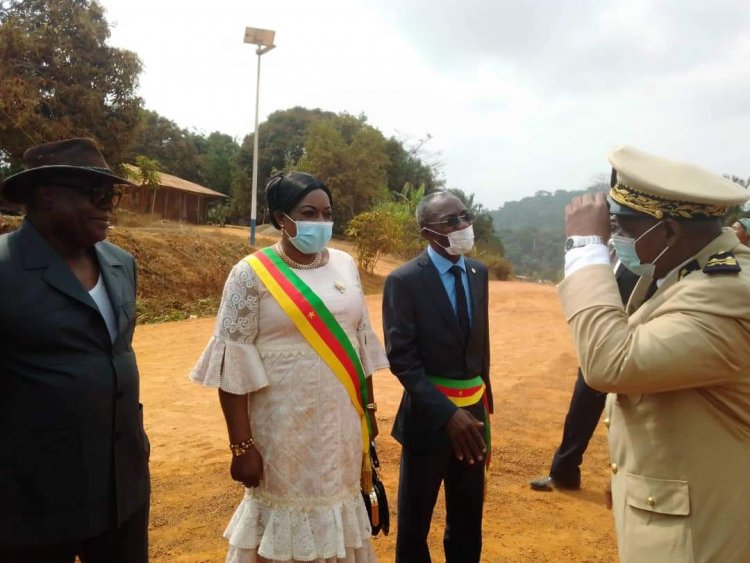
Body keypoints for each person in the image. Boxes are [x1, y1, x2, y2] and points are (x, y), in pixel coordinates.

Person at [561, 145, 750, 562]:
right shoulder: (687, 271)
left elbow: (610, 363)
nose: (616, 239)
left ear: (668, 232)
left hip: (704, 536)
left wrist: (584, 247)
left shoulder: (728, 292)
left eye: (622, 227)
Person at [190, 171, 388, 563]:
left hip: (342, 425)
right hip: (282, 431)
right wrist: (241, 446)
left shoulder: (346, 265)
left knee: (338, 507)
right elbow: (233, 365)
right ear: (281, 218)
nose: (321, 222)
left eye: (327, 213)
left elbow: (358, 344)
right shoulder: (250, 273)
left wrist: (368, 410)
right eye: (308, 212)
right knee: (285, 519)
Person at [0, 138, 150, 562]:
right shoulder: (5, 270)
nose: (108, 207)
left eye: (112, 195)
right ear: (46, 195)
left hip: (123, 485)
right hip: (34, 501)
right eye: (97, 195)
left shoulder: (121, 264)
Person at [382, 191, 493, 563]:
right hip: (428, 423)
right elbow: (403, 360)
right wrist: (448, 415)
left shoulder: (479, 273)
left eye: (465, 216)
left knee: (467, 520)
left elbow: (481, 346)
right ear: (429, 233)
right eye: (451, 221)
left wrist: (482, 408)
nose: (463, 226)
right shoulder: (405, 281)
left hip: (473, 421)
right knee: (415, 525)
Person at [529, 262, 638, 492]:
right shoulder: (609, 257)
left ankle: (636, 486)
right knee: (581, 408)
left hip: (637, 348)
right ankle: (564, 472)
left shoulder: (650, 256)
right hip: (600, 347)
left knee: (636, 417)